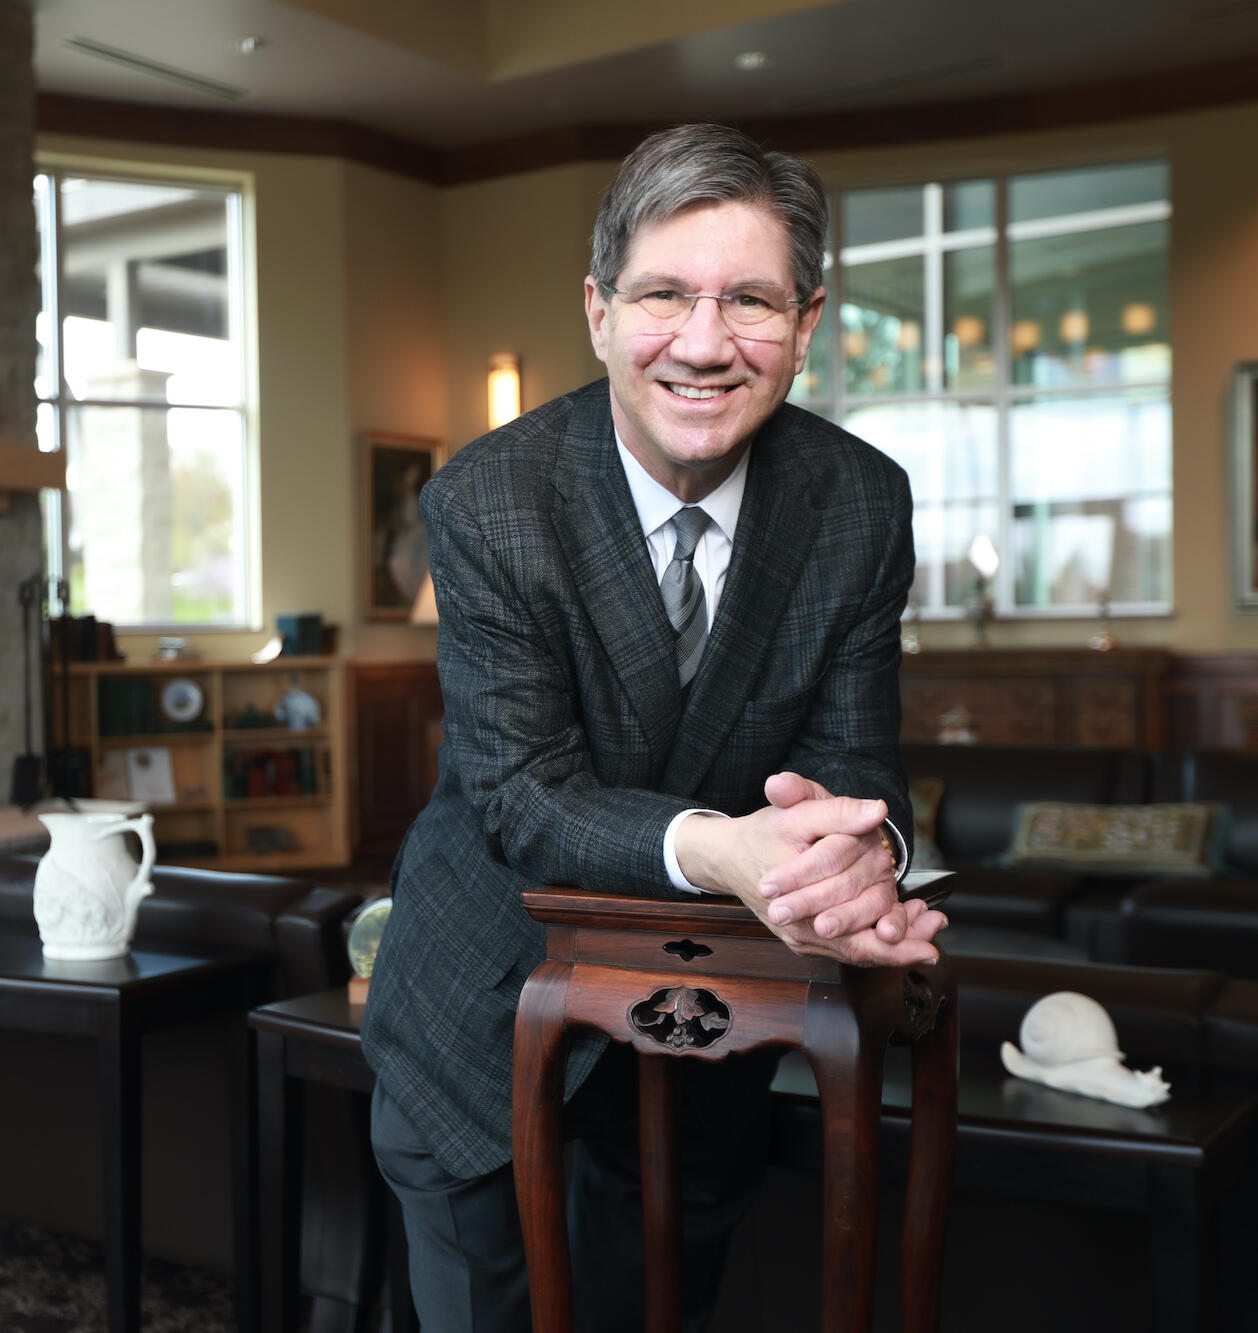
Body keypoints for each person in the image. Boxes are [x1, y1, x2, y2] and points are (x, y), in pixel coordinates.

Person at [362, 122, 948, 1333]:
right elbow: (521, 792)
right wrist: (726, 851)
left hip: (715, 1019)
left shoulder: (857, 500)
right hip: (485, 1005)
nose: (701, 342)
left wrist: (861, 866)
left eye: (748, 301)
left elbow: (852, 766)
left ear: (807, 321)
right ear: (596, 311)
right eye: (663, 295)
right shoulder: (488, 499)